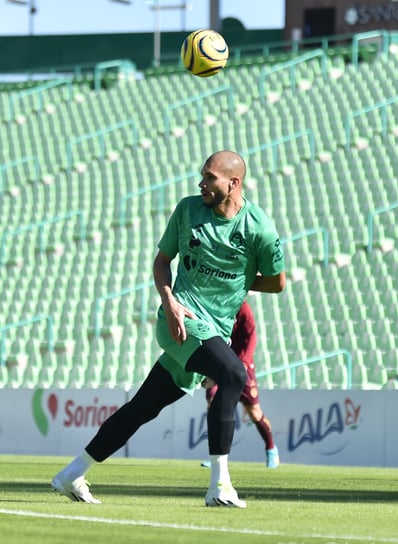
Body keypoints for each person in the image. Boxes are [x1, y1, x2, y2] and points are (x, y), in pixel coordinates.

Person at [51, 150, 286, 507]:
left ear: (234, 183)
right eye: (202, 176)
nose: (201, 183)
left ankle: (71, 474)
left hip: (214, 330)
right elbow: (162, 261)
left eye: (209, 177)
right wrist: (170, 302)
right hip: (180, 320)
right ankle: (219, 486)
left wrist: (238, 281)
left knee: (141, 409)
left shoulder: (259, 229)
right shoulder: (187, 210)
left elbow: (276, 282)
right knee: (234, 374)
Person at [201, 301, 279, 469]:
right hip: (220, 362)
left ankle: (271, 449)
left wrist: (243, 362)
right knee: (213, 402)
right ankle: (217, 457)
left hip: (241, 365)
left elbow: (251, 336)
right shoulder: (214, 302)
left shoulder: (242, 307)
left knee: (254, 412)